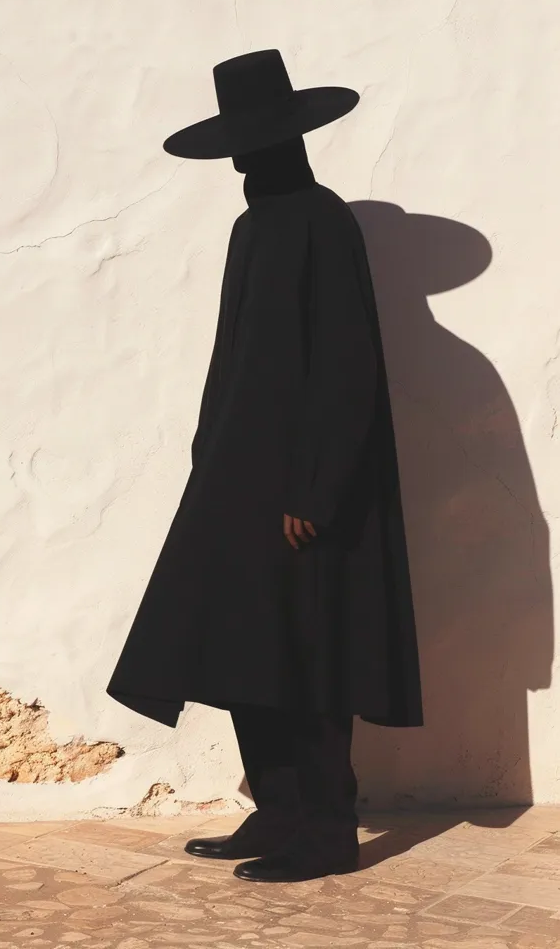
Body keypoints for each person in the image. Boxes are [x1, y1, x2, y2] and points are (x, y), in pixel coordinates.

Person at [106, 49, 423, 883]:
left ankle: (326, 830)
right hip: (236, 479)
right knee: (248, 645)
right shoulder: (254, 226)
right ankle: (278, 809)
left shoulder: (322, 220)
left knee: (315, 653)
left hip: (300, 488)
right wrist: (209, 458)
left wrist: (314, 487)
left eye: (256, 141)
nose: (245, 158)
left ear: (290, 139)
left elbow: (346, 365)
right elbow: (238, 361)